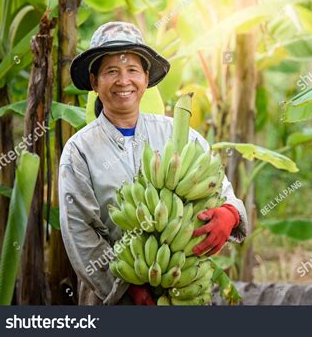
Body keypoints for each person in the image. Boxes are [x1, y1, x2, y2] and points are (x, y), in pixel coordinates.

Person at [59, 22, 247, 305]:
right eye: (112, 71)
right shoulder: (80, 151)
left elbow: (220, 189)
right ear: (95, 82)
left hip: (184, 287)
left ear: (146, 79)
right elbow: (80, 235)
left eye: (132, 70)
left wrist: (230, 213)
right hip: (113, 298)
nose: (124, 81)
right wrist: (126, 288)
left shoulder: (181, 135)